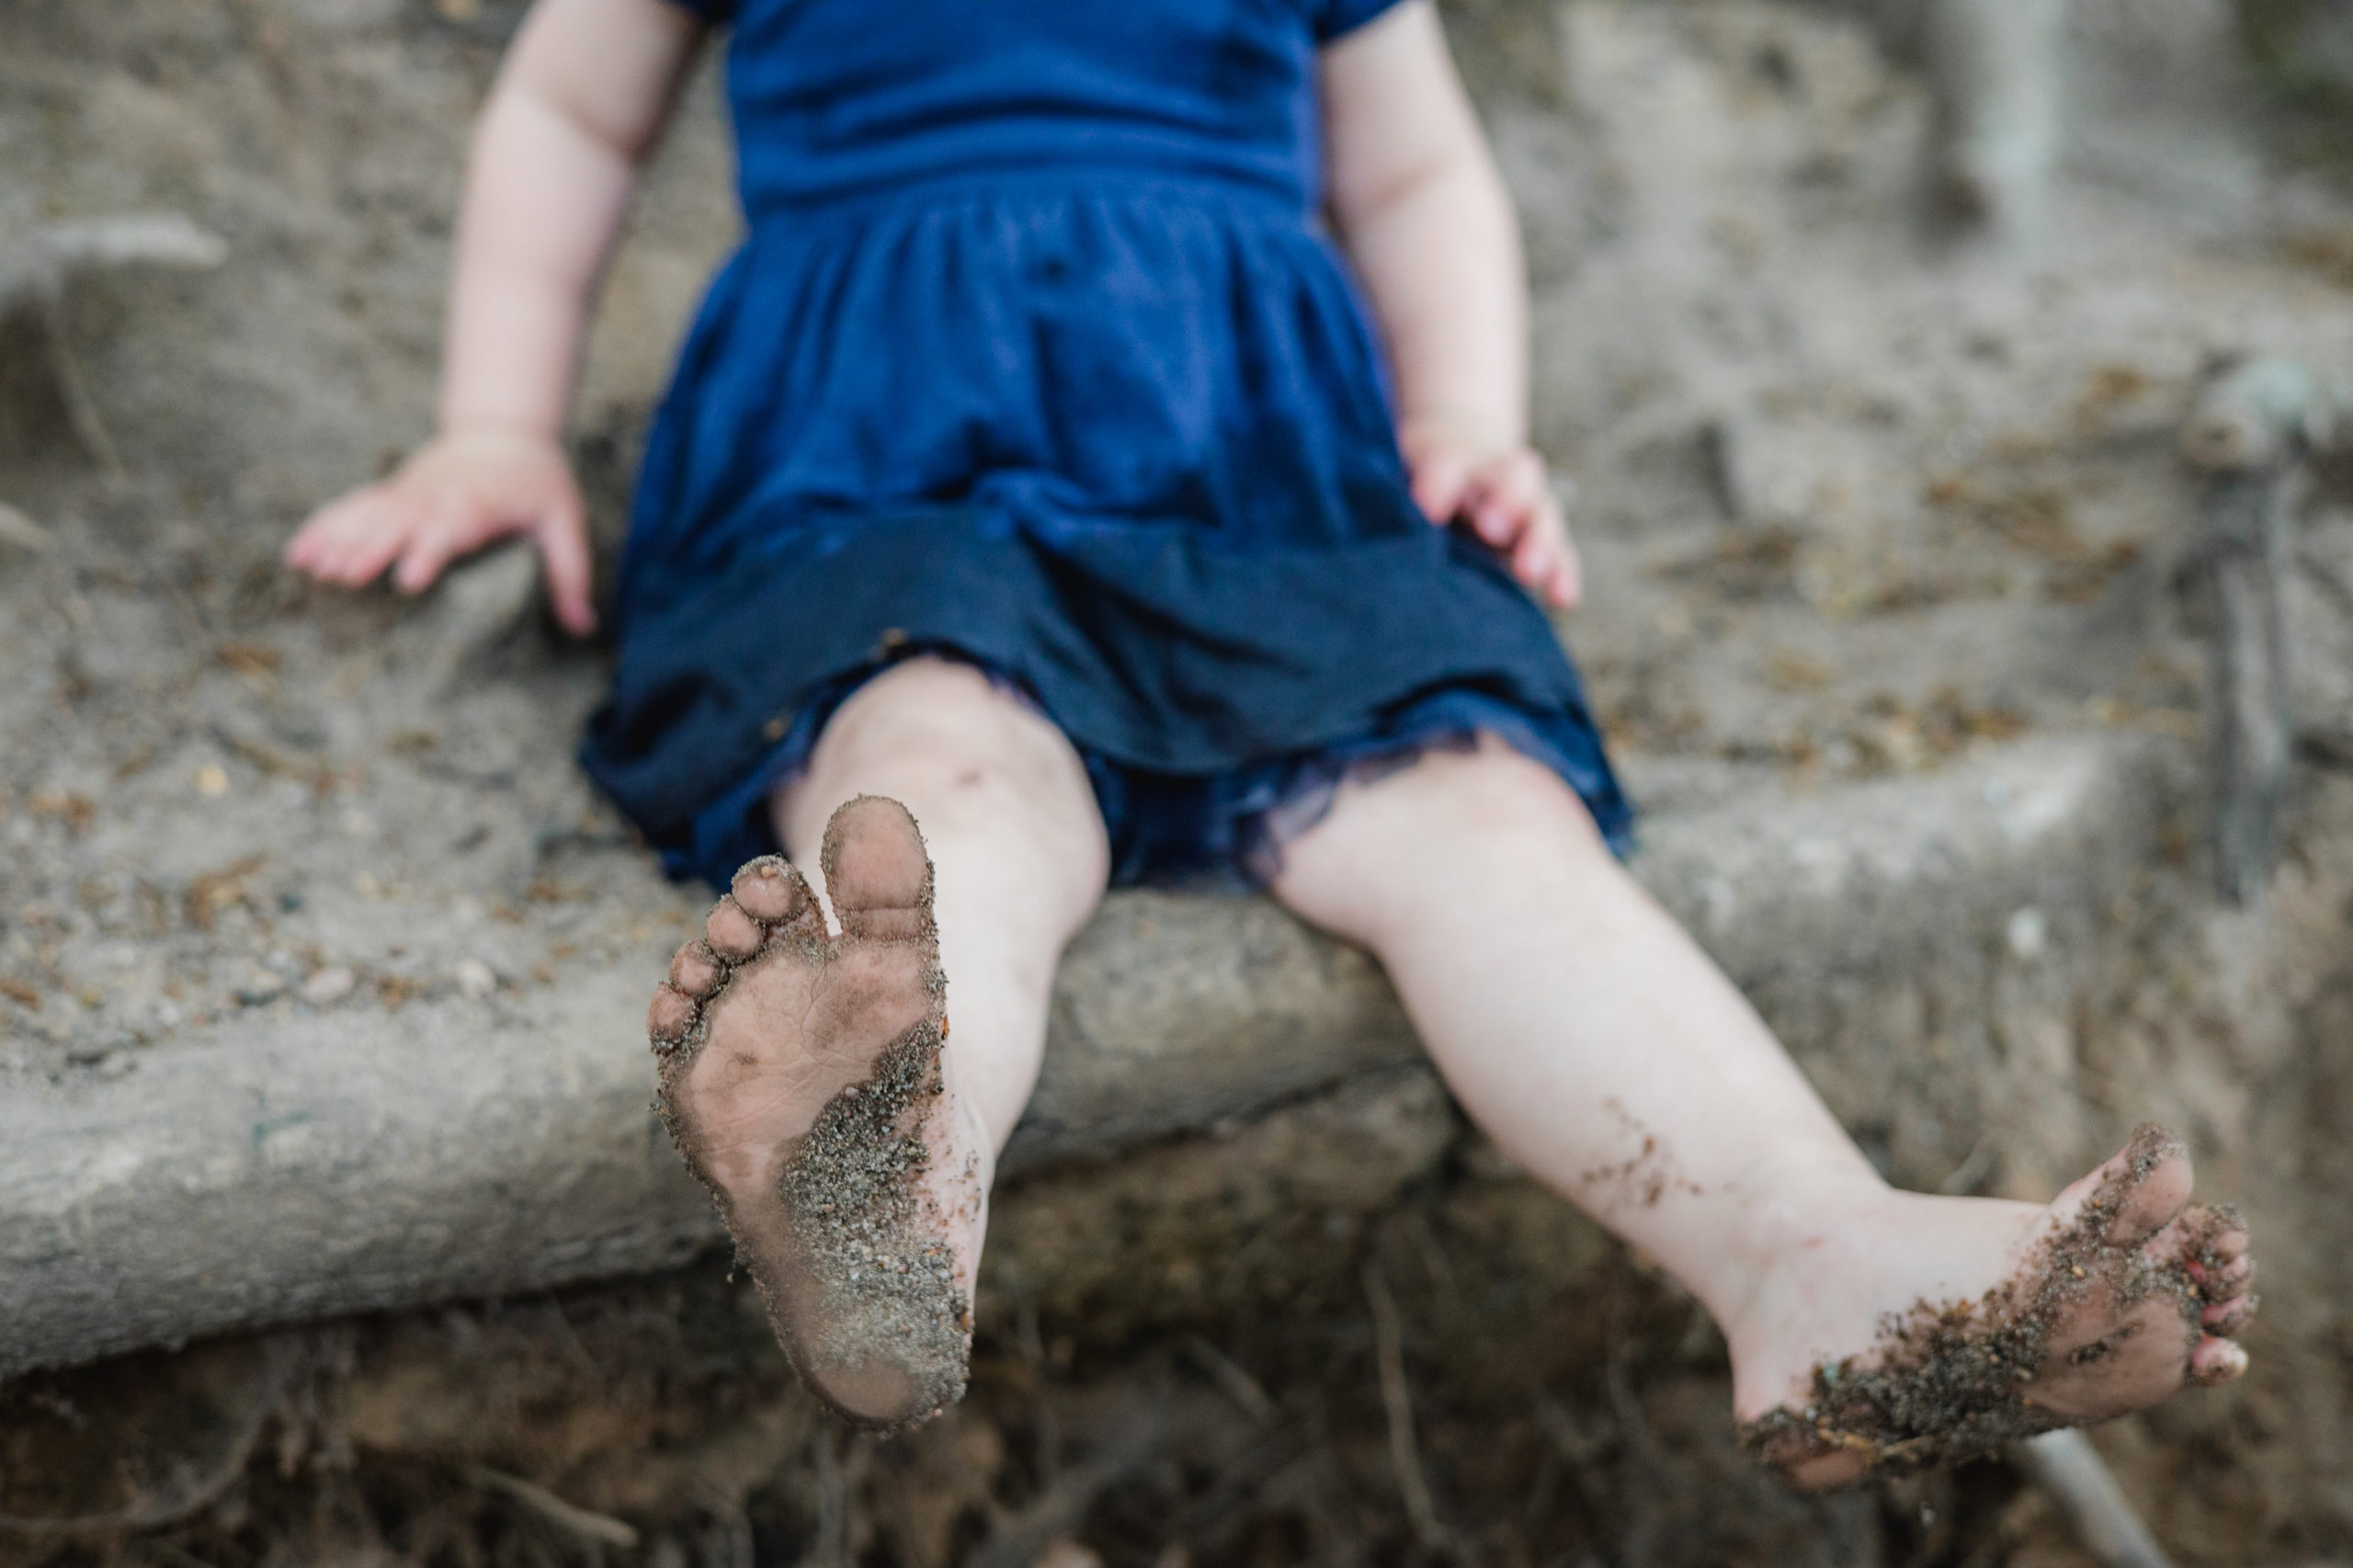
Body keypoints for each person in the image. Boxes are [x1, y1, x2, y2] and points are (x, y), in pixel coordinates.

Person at [285, 0, 2255, 1487]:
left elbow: (1411, 175)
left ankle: (1805, 1251)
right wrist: (495, 425)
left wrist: (1468, 413)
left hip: (1254, 492)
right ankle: (896, 1185)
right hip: (880, 485)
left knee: (1473, 814)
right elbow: (565, 113)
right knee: (939, 767)